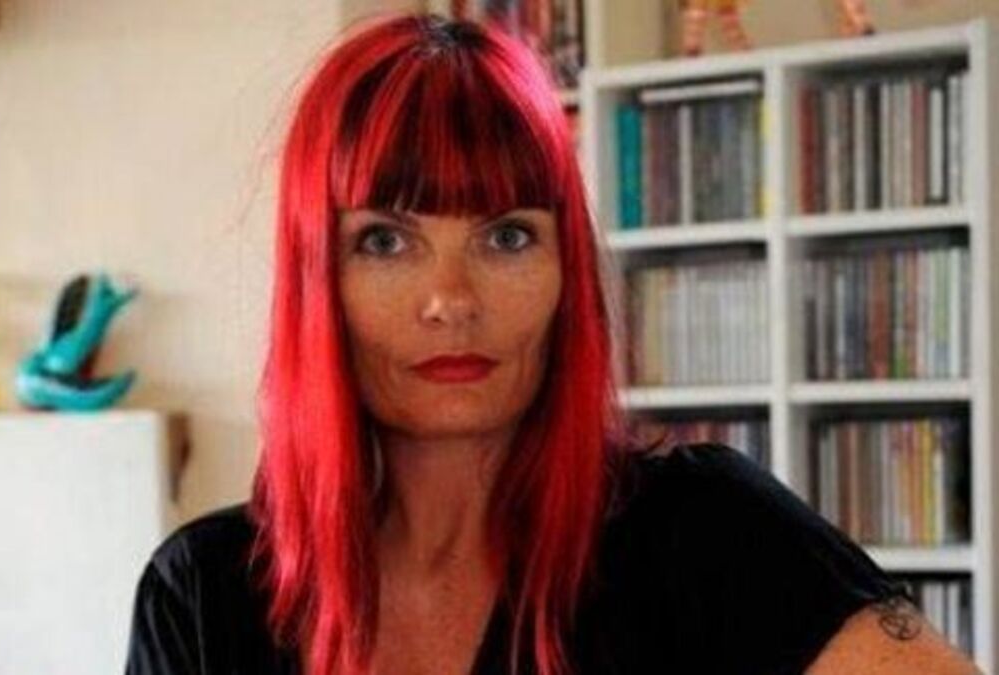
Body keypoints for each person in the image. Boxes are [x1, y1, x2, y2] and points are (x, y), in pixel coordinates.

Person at [123, 12, 980, 675]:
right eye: (385, 240)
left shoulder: (705, 531)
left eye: (506, 236)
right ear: (318, 277)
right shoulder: (203, 592)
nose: (451, 300)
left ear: (566, 268)